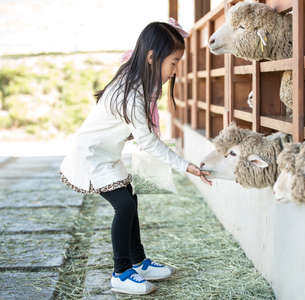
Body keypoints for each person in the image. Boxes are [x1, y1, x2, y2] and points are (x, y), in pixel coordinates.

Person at [59, 19, 211, 295]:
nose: (175, 69)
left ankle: (138, 262)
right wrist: (185, 165)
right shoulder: (132, 93)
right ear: (152, 57)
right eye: (174, 62)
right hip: (90, 157)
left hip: (106, 155)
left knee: (130, 199)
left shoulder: (139, 81)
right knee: (124, 207)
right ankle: (120, 272)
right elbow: (149, 142)